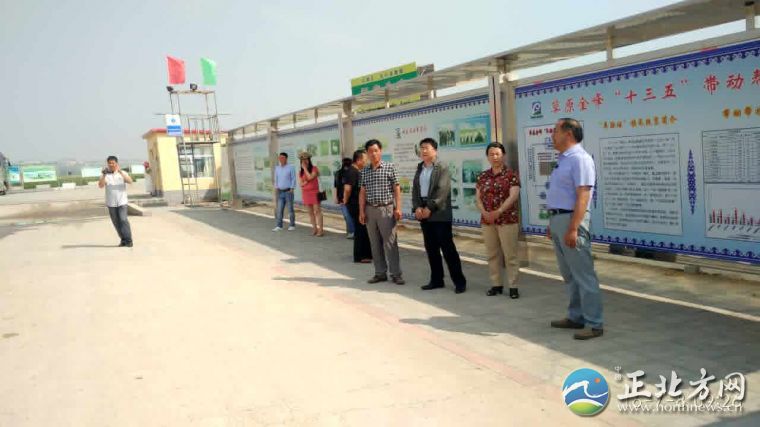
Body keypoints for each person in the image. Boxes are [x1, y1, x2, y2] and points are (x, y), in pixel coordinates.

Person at [547, 118, 604, 340]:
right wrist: (553, 223)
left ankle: (594, 323)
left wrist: (573, 228)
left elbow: (583, 195)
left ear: (568, 133)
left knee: (583, 274)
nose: (552, 135)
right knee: (569, 274)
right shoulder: (564, 159)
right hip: (559, 220)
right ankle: (576, 316)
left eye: (555, 131)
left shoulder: (580, 159)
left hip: (572, 221)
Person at [412, 137, 467, 294]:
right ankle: (437, 280)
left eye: (426, 147)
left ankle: (459, 282)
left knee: (448, 248)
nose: (423, 150)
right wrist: (417, 207)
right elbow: (415, 189)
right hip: (424, 212)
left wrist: (430, 207)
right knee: (431, 248)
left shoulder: (442, 167)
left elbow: (442, 190)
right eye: (421, 147)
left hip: (439, 213)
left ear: (435, 150)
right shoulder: (420, 168)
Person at [475, 142, 521, 299]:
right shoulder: (482, 176)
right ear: (487, 157)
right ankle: (496, 285)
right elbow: (478, 198)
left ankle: (513, 286)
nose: (494, 157)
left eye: (497, 154)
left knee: (510, 255)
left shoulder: (511, 175)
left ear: (503, 155)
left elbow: (513, 196)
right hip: (487, 221)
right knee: (492, 254)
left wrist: (499, 211)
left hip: (507, 220)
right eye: (491, 154)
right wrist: (484, 212)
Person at [359, 139, 405, 285]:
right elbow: (362, 192)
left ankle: (396, 274)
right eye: (370, 151)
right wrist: (361, 211)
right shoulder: (364, 171)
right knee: (374, 243)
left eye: (376, 150)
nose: (373, 154)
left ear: (380, 151)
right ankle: (380, 273)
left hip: (386, 209)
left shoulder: (390, 167)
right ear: (367, 153)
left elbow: (397, 188)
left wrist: (398, 208)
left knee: (390, 243)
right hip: (370, 210)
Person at [343, 149, 372, 263]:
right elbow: (347, 189)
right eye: (365, 159)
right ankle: (361, 256)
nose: (366, 161)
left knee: (362, 229)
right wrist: (345, 201)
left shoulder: (358, 171)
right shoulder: (352, 172)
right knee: (361, 229)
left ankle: (365, 254)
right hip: (355, 204)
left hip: (358, 203)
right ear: (359, 160)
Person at [98, 155, 133, 247]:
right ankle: (123, 240)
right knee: (116, 223)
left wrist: (120, 172)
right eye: (109, 163)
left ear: (116, 163)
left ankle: (129, 240)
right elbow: (101, 185)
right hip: (111, 203)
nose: (111, 165)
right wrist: (104, 175)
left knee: (123, 219)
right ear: (107, 164)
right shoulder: (105, 175)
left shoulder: (122, 173)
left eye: (113, 163)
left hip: (122, 202)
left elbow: (130, 181)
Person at [299, 152, 324, 237]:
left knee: (317, 211)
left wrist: (305, 169)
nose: (304, 161)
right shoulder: (300, 172)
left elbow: (310, 177)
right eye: (302, 160)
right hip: (306, 194)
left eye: (306, 159)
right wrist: (305, 181)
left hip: (315, 193)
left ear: (309, 160)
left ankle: (321, 230)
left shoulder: (314, 168)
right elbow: (301, 184)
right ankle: (314, 228)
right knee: (310, 212)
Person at [273, 152, 296, 232]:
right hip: (280, 192)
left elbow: (293, 178)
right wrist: (276, 188)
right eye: (279, 158)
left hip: (288, 191)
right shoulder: (277, 168)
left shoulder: (290, 167)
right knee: (279, 210)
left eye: (282, 158)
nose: (280, 159)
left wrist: (292, 188)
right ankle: (279, 226)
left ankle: (292, 225)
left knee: (290, 209)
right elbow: (276, 179)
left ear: (286, 158)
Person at [335, 157, 355, 239]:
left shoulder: (339, 173)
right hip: (348, 198)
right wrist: (337, 197)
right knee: (349, 216)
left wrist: (337, 197)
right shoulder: (349, 172)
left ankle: (351, 231)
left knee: (347, 216)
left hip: (344, 197)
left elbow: (336, 186)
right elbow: (336, 186)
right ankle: (351, 231)